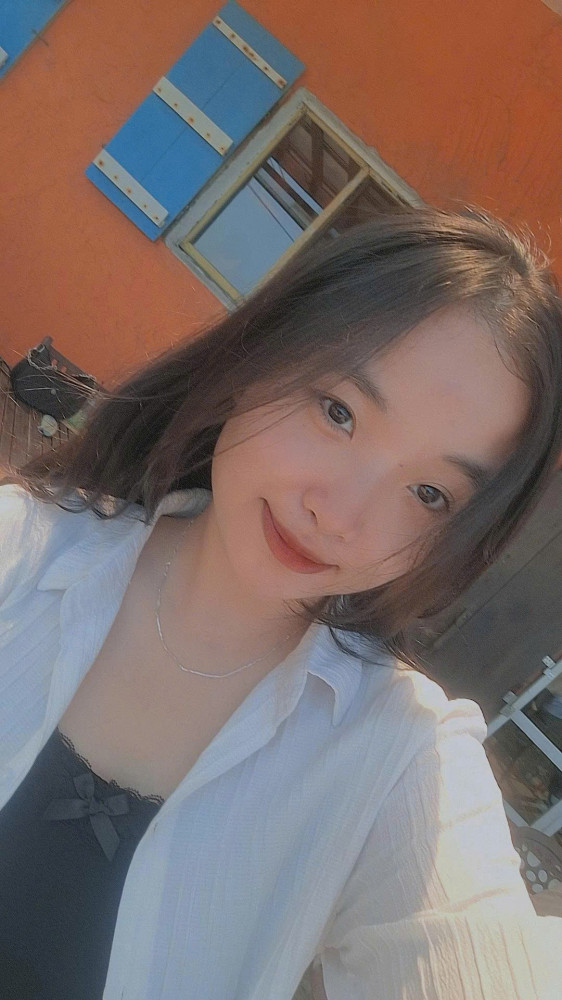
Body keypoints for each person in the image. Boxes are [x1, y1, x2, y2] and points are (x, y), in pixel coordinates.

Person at [1, 206, 562, 1000]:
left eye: (429, 493)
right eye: (339, 412)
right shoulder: (22, 549)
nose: (339, 514)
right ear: (261, 353)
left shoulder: (396, 757)